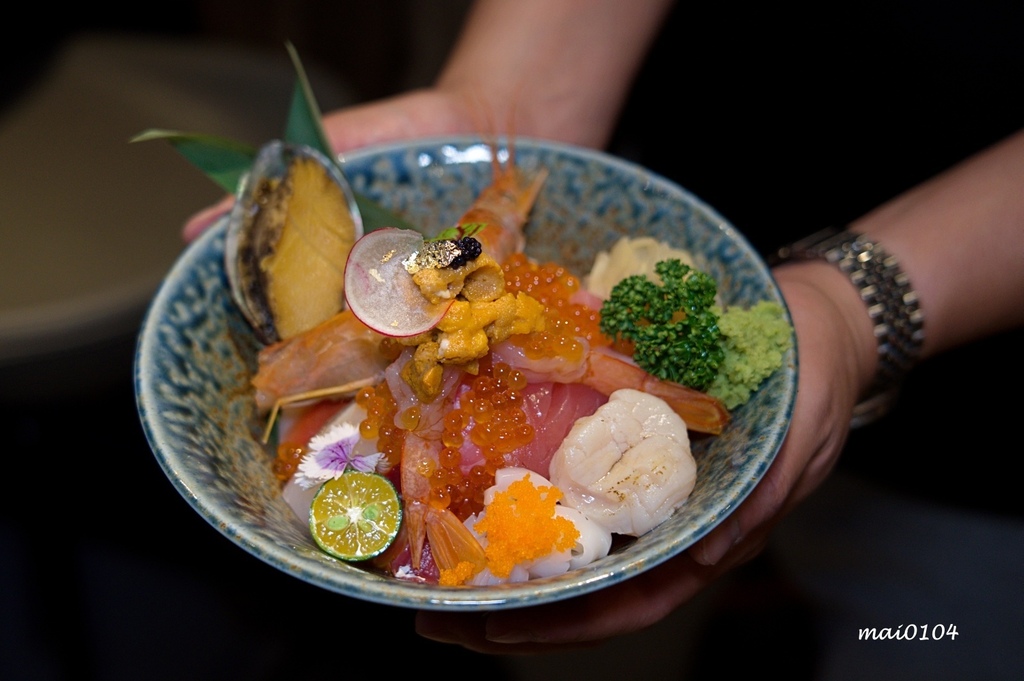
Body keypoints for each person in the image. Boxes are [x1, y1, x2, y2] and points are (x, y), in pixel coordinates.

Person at [182, 0, 1024, 671]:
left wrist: (852, 304)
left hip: (973, 448)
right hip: (705, 178)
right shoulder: (455, 279)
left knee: (927, 639)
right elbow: (449, 260)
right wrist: (509, 94)